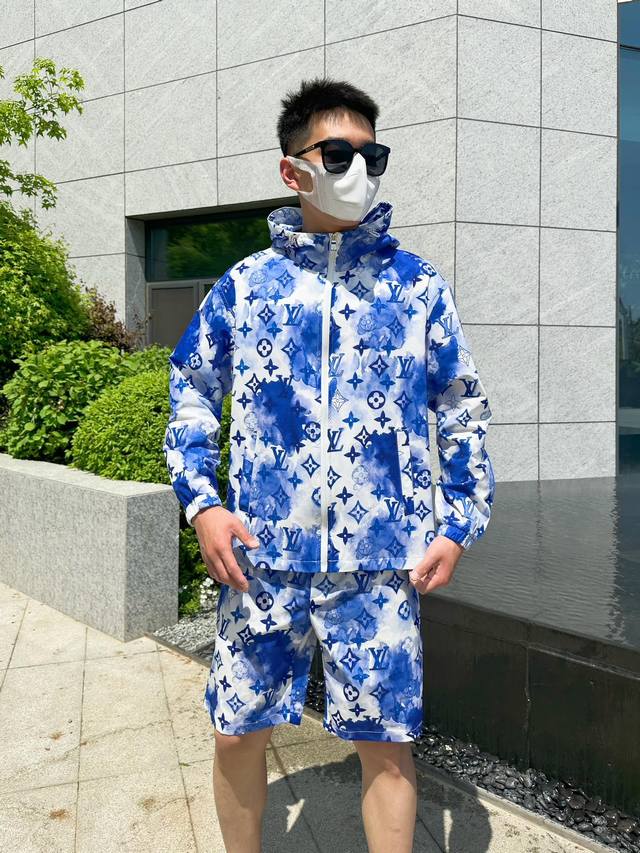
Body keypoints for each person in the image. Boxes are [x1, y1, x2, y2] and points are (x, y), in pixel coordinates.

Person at [163, 76, 496, 853]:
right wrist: (202, 503)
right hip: (261, 557)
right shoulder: (247, 286)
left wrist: (458, 522)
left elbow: (462, 406)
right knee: (236, 729)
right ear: (293, 169)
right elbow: (191, 389)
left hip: (380, 563)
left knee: (388, 742)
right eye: (337, 154)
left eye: (371, 156)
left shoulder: (416, 286)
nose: (358, 171)